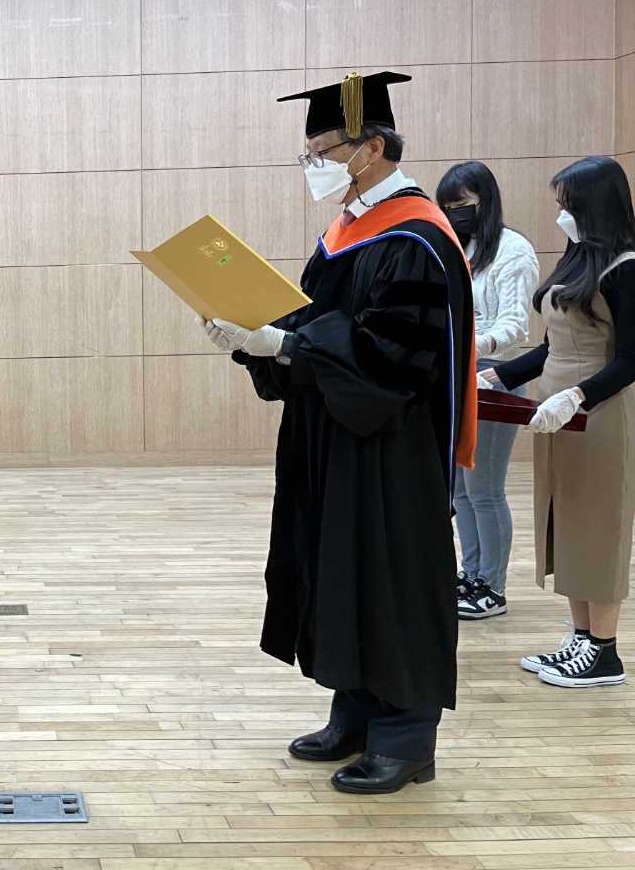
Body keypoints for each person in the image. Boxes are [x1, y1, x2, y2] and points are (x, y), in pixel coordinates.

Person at [204, 71, 477, 796]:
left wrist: (288, 346)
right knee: (342, 570)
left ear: (371, 147)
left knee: (390, 579)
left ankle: (406, 738)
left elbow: (396, 354)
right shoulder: (346, 233)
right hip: (336, 436)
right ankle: (355, 713)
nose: (313, 165)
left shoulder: (417, 238)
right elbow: (316, 320)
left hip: (391, 445)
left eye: (322, 150)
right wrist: (253, 337)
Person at [491, 156, 635, 689]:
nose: (561, 213)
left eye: (568, 204)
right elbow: (552, 346)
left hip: (599, 411)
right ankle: (581, 636)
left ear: (595, 206)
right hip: (554, 411)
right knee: (566, 523)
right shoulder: (578, 262)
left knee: (599, 526)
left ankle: (605, 651)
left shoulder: (626, 268)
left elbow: (631, 359)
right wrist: (498, 377)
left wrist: (578, 395)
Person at [437, 163, 540, 620]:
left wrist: (470, 346)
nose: (455, 214)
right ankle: (472, 573)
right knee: (460, 488)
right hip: (459, 375)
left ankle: (492, 588)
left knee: (486, 489)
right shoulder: (462, 248)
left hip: (496, 374)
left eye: (462, 205)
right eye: (448, 207)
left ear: (485, 200)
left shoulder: (514, 250)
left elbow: (515, 326)